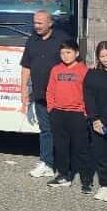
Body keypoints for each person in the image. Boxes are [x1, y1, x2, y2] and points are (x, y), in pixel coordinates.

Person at [21, 10, 70, 179]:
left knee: (61, 130)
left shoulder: (62, 39)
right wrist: (24, 91)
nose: (37, 26)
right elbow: (26, 67)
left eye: (40, 23)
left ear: (50, 23)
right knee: (45, 130)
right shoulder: (32, 40)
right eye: (35, 23)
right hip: (40, 94)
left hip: (59, 95)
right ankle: (47, 163)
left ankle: (64, 164)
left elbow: (71, 63)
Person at [45, 39, 90, 190]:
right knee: (61, 146)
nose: (65, 56)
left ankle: (86, 179)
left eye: (69, 52)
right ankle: (63, 175)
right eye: (62, 53)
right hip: (58, 113)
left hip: (77, 114)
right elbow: (50, 90)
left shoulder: (83, 70)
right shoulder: (56, 69)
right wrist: (51, 108)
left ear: (76, 53)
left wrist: (84, 111)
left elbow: (88, 93)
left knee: (80, 148)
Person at [83, 41, 107, 204]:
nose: (105, 59)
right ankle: (105, 183)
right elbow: (88, 97)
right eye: (102, 56)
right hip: (96, 120)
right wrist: (94, 119)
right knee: (100, 153)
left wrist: (105, 120)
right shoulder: (92, 74)